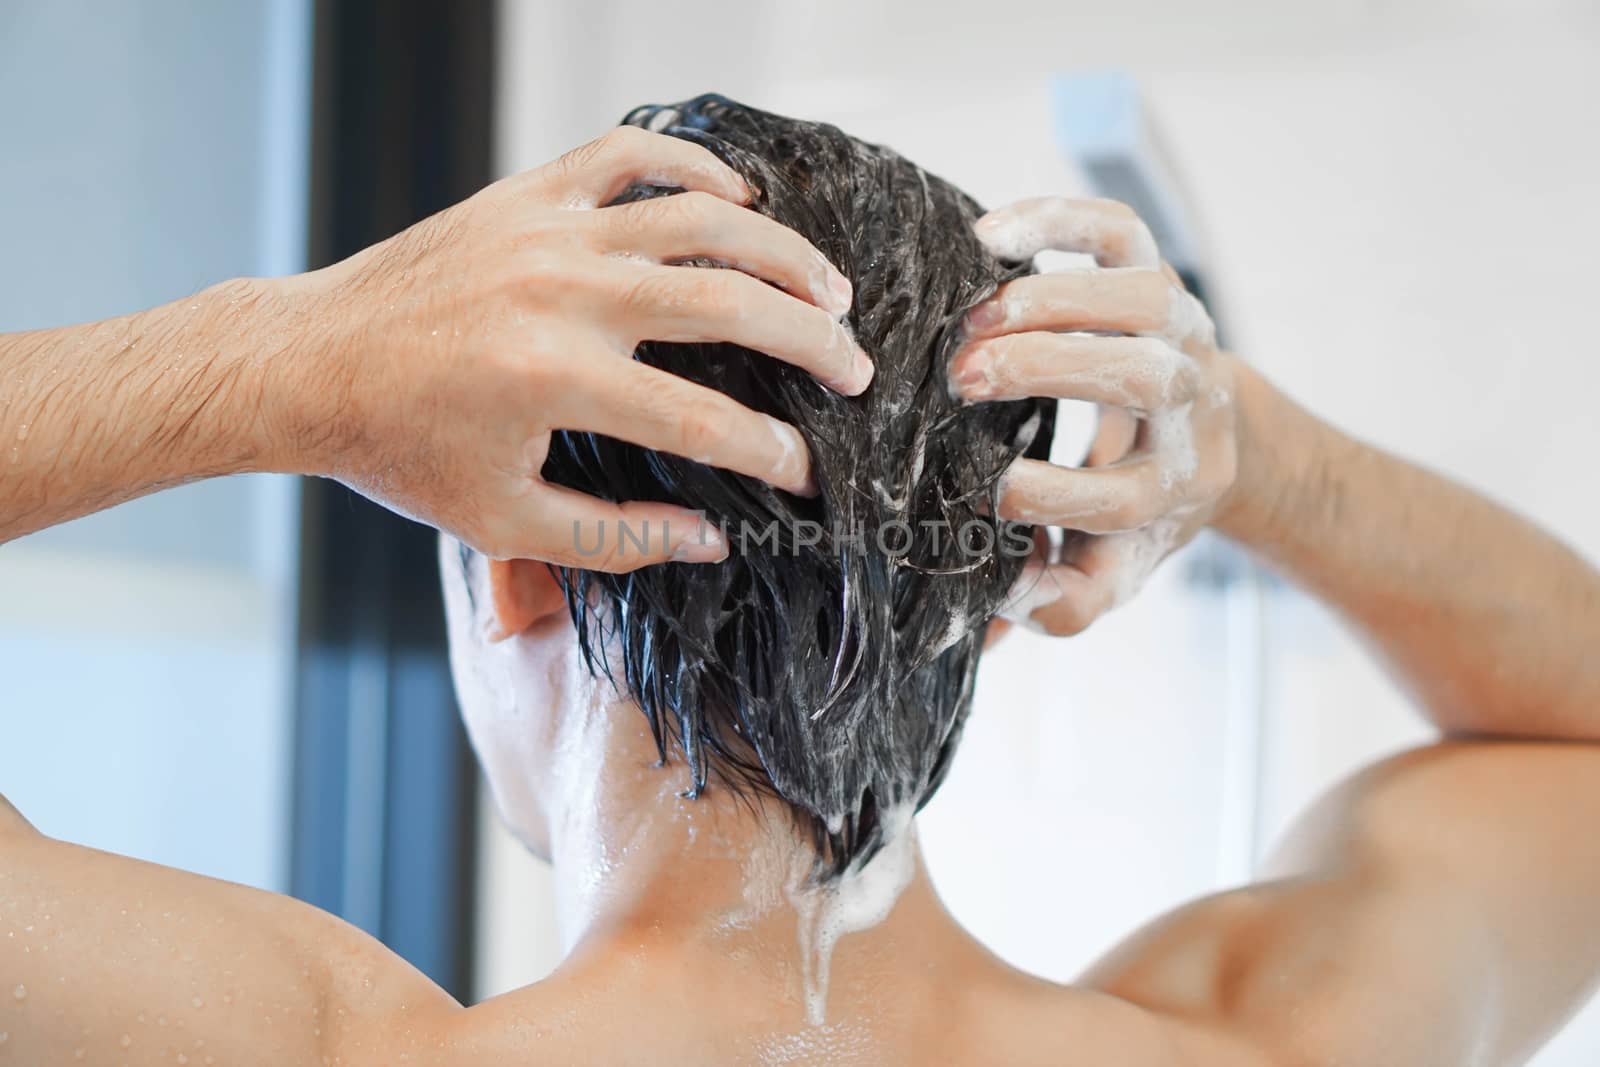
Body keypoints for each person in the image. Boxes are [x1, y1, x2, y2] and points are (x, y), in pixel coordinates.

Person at [3, 96, 1599, 1066]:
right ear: (986, 584)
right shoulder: (1278, 1045)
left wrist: (278, 356)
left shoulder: (252, 1045)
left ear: (517, 575)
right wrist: (1262, 455)